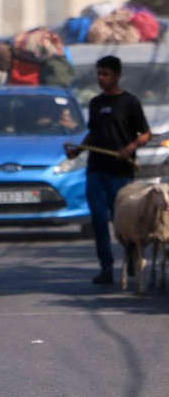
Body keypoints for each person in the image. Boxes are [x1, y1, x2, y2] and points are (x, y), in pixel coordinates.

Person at [72, 56, 152, 286]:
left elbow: (146, 134)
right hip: (96, 170)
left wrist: (131, 147)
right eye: (98, 73)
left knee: (123, 222)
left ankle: (130, 259)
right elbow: (93, 133)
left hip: (121, 173)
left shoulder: (129, 102)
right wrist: (78, 151)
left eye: (105, 74)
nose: (101, 78)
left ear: (117, 75)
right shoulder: (96, 103)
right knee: (98, 220)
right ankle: (106, 268)